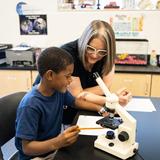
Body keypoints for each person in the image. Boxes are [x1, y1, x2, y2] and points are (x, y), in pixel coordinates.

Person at [33, 20, 132, 124]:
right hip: (51, 109)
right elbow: (76, 96)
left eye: (101, 52)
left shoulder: (106, 55)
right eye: (90, 48)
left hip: (79, 107)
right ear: (84, 42)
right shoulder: (68, 56)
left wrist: (104, 102)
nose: (94, 55)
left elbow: (103, 88)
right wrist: (113, 100)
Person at [15, 47, 105, 160]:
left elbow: (75, 102)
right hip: (35, 157)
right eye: (67, 76)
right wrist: (58, 142)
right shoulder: (30, 106)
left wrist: (100, 108)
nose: (70, 80)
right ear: (50, 75)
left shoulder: (57, 90)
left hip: (53, 149)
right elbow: (27, 148)